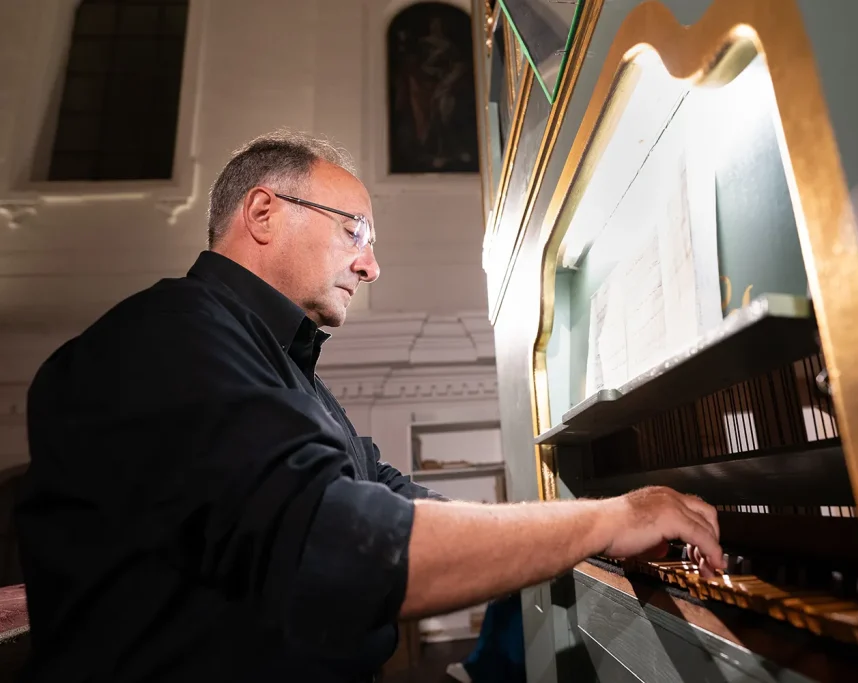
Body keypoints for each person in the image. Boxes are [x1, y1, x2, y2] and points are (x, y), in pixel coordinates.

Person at [13, 131, 724, 683]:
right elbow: (347, 548)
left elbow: (401, 499)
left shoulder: (285, 373)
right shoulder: (169, 336)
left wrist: (587, 529)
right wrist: (612, 515)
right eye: (354, 229)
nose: (371, 264)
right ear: (263, 212)